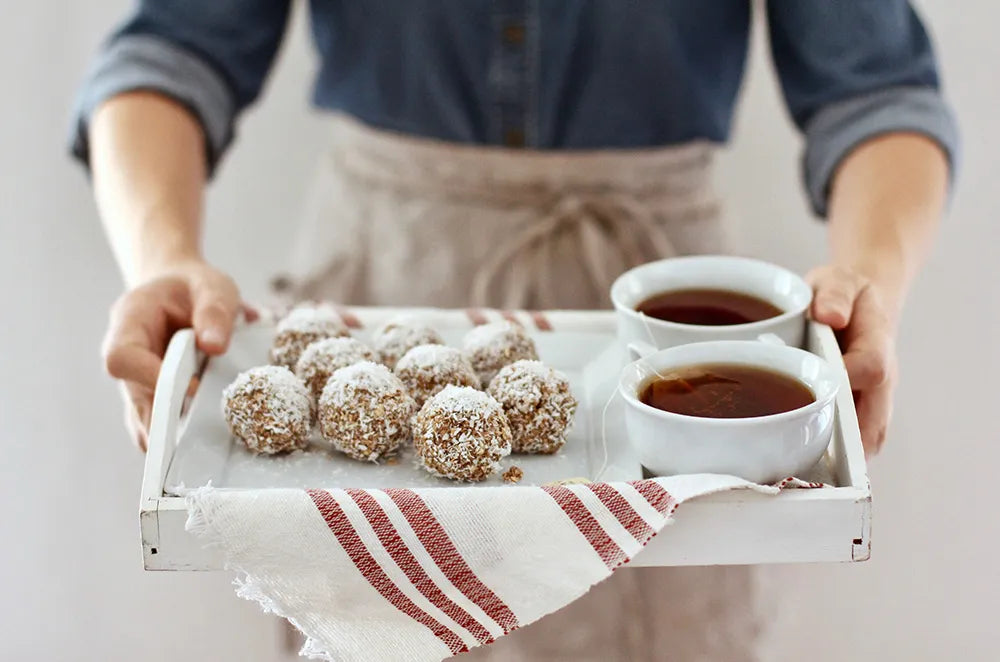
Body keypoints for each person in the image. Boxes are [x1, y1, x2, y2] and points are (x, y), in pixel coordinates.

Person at [71, 2, 957, 660]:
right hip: (389, 267)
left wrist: (866, 279)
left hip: (661, 336)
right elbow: (170, 50)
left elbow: (879, 90)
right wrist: (163, 259)